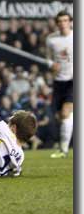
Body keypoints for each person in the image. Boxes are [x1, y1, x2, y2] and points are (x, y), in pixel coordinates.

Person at [45, 11, 73, 159]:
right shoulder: (51, 39)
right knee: (60, 116)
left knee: (65, 112)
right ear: (57, 23)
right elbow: (48, 58)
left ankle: (63, 151)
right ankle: (63, 148)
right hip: (59, 81)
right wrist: (51, 65)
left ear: (70, 22)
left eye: (66, 20)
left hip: (74, 80)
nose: (63, 23)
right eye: (60, 21)